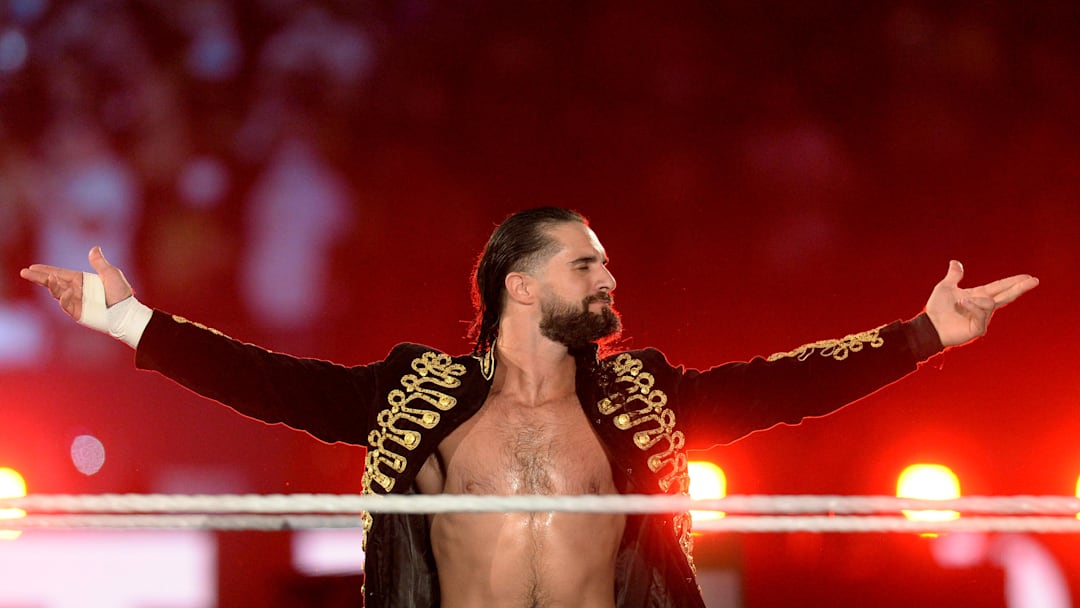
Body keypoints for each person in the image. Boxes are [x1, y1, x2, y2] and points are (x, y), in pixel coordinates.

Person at [20, 207, 1038, 608]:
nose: (607, 278)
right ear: (517, 282)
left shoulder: (648, 401)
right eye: (583, 262)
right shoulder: (413, 399)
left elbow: (785, 383)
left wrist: (922, 334)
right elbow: (272, 381)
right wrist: (128, 320)